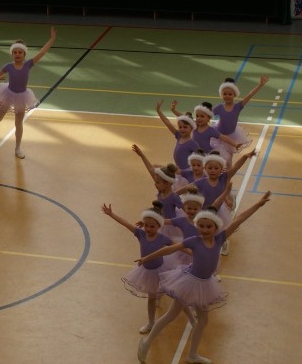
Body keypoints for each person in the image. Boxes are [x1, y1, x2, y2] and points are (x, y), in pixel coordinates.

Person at [136, 191, 271, 364]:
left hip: (205, 284)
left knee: (203, 319)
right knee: (171, 315)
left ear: (216, 227)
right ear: (197, 226)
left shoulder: (220, 238)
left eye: (209, 227)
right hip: (189, 282)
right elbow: (169, 249)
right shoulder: (194, 240)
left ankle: (192, 354)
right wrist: (146, 258)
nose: (205, 230)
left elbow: (240, 218)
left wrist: (259, 204)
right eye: (202, 226)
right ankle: (147, 343)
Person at [101, 202, 195, 334]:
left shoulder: (163, 238)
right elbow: (126, 224)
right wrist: (111, 214)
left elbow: (178, 246)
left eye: (152, 226)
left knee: (175, 294)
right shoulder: (141, 234)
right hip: (147, 272)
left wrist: (193, 253)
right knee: (151, 298)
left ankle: (192, 319)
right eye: (146, 225)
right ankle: (151, 323)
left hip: (163, 269)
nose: (148, 229)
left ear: (159, 226)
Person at [0, 27, 57, 160]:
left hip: (22, 96)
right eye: (15, 52)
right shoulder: (8, 66)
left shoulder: (29, 64)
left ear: (24, 54)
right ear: (12, 54)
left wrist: (51, 40)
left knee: (18, 123)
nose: (17, 54)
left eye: (20, 52)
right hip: (8, 93)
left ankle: (18, 148)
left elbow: (42, 52)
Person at [208, 76, 270, 166]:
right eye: (225, 94)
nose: (227, 96)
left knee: (229, 156)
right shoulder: (219, 107)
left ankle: (228, 176)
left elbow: (250, 95)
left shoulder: (238, 107)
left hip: (233, 135)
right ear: (221, 95)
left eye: (230, 94)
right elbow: (207, 115)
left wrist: (260, 85)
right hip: (220, 135)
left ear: (234, 95)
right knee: (219, 156)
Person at [131, 144, 183, 240]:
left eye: (157, 182)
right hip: (160, 224)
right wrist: (142, 155)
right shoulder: (160, 191)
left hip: (172, 227)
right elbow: (151, 170)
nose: (155, 184)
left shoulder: (174, 197)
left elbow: (186, 212)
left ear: (167, 183)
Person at [170, 101, 241, 155]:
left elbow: (223, 137)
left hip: (206, 154)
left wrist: (235, 144)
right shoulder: (195, 125)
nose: (199, 118)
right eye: (197, 116)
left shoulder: (211, 130)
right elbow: (184, 118)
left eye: (202, 116)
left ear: (208, 118)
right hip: (195, 152)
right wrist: (173, 110)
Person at [155, 100, 200, 173]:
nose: (182, 129)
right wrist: (158, 111)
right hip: (178, 170)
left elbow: (203, 158)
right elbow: (167, 122)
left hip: (187, 172)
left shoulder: (192, 143)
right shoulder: (179, 136)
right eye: (180, 127)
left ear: (191, 128)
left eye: (185, 127)